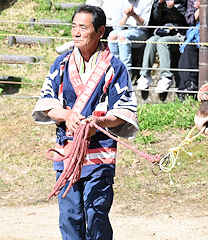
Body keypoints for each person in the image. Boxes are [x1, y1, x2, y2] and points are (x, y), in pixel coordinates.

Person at [31, 5, 138, 240]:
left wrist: (97, 123)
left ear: (100, 32)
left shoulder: (115, 68)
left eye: (83, 27)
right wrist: (67, 116)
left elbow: (124, 111)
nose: (76, 33)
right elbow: (47, 104)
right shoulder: (60, 64)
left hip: (100, 154)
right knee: (69, 215)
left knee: (96, 213)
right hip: (67, 152)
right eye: (73, 27)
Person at [136, 0, 188, 93]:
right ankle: (145, 75)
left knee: (162, 42)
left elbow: (183, 20)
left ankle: (166, 77)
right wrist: (160, 4)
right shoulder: (158, 1)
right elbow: (156, 19)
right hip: (162, 32)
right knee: (151, 41)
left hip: (178, 34)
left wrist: (172, 9)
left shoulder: (182, 2)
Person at [108, 0, 153, 77]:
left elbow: (145, 24)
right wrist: (126, 16)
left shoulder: (146, 2)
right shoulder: (119, 2)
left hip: (140, 31)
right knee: (112, 36)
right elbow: (116, 25)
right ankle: (114, 67)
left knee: (122, 35)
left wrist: (133, 14)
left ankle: (126, 71)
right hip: (123, 29)